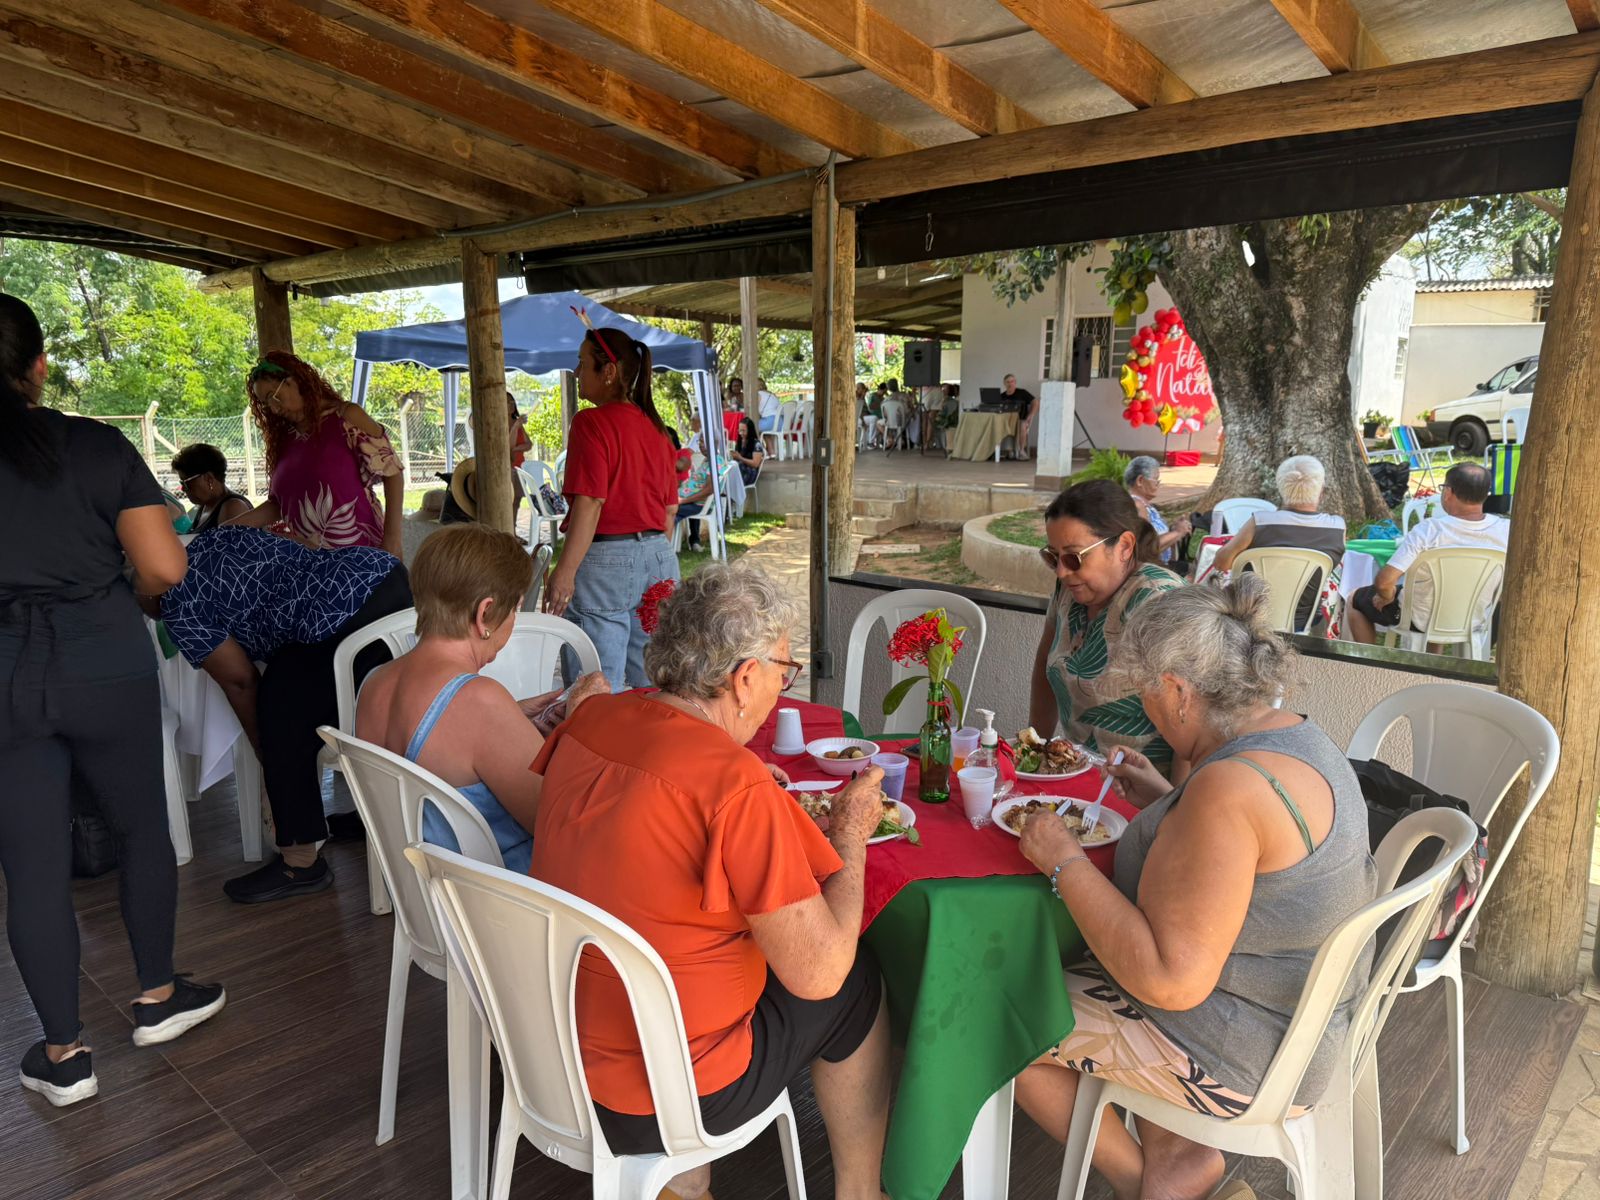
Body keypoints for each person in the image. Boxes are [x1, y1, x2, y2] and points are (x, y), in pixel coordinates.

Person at [531, 563, 890, 1200]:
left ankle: (679, 1182)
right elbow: (820, 973)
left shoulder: (592, 721)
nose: (784, 686)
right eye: (785, 671)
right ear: (745, 677)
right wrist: (852, 833)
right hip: (669, 1088)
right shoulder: (733, 784)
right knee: (855, 983)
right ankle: (861, 1194)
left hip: (554, 1048)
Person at [1013, 577, 1377, 1199]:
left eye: (1146, 694)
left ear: (1179, 691)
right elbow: (1250, 865)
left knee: (997, 1011)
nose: (1146, 709)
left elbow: (1168, 981)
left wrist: (1063, 859)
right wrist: (1166, 799)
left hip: (1248, 1052)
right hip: (1306, 1023)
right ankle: (1180, 1160)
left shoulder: (1228, 791)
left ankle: (1157, 1191)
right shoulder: (1296, 740)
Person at [0, 293, 224, 1106]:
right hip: (105, 659)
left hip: (4, 680)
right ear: (39, 366)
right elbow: (166, 569)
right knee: (141, 831)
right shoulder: (94, 446)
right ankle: (159, 999)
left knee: (30, 869)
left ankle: (63, 1056)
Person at [156, 526, 412, 903]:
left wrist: (266, 749)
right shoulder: (214, 536)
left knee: (278, 710)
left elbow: (241, 682)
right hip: (381, 575)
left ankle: (301, 861)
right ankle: (371, 812)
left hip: (331, 617)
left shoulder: (176, 606)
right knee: (364, 703)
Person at [355, 524, 606, 873]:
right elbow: (561, 827)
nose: (514, 620)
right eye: (515, 608)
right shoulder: (478, 703)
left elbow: (444, 746)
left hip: (427, 891)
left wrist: (513, 719)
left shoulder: (373, 684)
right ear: (484, 613)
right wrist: (582, 724)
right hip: (498, 903)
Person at [542, 326, 679, 691]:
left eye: (582, 363)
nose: (576, 372)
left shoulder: (591, 423)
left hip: (605, 562)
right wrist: (648, 557)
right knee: (652, 684)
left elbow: (590, 501)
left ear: (609, 372)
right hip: (659, 557)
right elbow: (669, 511)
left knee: (596, 688)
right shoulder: (657, 429)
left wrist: (565, 573)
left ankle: (600, 747)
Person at [1029, 480, 1186, 773]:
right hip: (1075, 772)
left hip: (1142, 790)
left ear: (1124, 547)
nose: (1062, 571)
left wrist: (1172, 807)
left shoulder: (1160, 602)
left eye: (1074, 557)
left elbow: (1191, 717)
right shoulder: (1069, 591)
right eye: (1053, 557)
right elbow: (1043, 669)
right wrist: (1035, 751)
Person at [227, 352, 404, 555]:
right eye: (266, 405)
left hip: (360, 556)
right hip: (309, 565)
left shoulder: (346, 417)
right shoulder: (284, 440)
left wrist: (392, 541)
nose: (274, 409)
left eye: (273, 397)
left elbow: (392, 472)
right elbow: (279, 505)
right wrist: (227, 529)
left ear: (294, 380)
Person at [1347, 461, 1508, 646]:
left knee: (1354, 599)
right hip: (1474, 617)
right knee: (1434, 594)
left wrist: (1386, 596)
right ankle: (1434, 661)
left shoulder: (1429, 530)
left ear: (1448, 492)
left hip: (1418, 620)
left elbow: (1384, 582)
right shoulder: (1506, 529)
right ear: (1486, 494)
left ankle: (1368, 664)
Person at [1213, 455, 1347, 629]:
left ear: (1281, 488)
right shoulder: (1337, 528)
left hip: (1248, 618)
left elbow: (1221, 563)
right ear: (1321, 491)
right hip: (1304, 619)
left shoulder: (1260, 522)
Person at [172, 443, 253, 536]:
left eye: (186, 483)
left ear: (208, 478)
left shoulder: (233, 507)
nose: (183, 489)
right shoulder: (207, 505)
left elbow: (229, 548)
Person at [1123, 456, 1193, 563]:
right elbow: (1145, 549)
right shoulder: (1136, 506)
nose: (1158, 485)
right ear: (1140, 481)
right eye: (1156, 480)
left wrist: (1172, 530)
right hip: (1149, 573)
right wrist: (1178, 532)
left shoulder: (1145, 505)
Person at [675, 447, 715, 551]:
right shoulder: (706, 460)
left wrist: (682, 500)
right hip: (693, 501)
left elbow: (709, 490)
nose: (701, 445)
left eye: (703, 442)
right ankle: (694, 541)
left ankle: (667, 545)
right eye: (700, 442)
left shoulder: (714, 462)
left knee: (669, 509)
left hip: (699, 505)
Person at [1002, 373, 1036, 460]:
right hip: (1005, 421)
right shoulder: (1001, 396)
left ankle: (1021, 451)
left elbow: (1035, 401)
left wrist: (1031, 414)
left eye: (1012, 381)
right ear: (1004, 384)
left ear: (1015, 382)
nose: (1010, 384)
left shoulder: (1022, 393)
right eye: (1008, 382)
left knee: (1022, 425)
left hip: (1021, 419)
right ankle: (999, 451)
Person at [730, 415, 765, 486]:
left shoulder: (756, 444)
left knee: (736, 466)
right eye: (739, 430)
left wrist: (740, 458)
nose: (741, 433)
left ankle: (729, 490)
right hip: (740, 470)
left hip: (750, 472)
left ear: (750, 430)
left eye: (743, 430)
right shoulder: (740, 441)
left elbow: (755, 464)